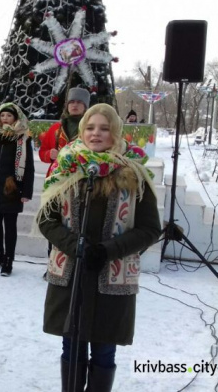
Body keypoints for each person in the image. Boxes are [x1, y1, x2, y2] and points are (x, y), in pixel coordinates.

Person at [37, 104, 161, 391]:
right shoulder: (66, 167)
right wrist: (74, 246)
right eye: (91, 127)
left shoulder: (134, 174)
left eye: (104, 128)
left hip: (111, 278)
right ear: (82, 131)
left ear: (115, 132)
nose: (96, 134)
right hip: (73, 275)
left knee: (104, 351)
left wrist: (108, 250)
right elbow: (47, 219)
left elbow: (150, 228)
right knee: (73, 348)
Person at [0, 103, 35, 276]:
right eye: (2, 116)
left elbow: (29, 166)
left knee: (10, 226)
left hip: (11, 188)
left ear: (16, 118)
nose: (5, 119)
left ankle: (9, 259)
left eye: (9, 116)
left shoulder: (22, 139)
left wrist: (26, 192)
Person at [38, 86, 90, 259]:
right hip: (55, 183)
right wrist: (48, 154)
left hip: (80, 184)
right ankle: (52, 261)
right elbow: (42, 153)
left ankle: (74, 261)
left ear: (86, 106)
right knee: (53, 222)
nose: (74, 105)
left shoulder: (89, 129)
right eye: (71, 102)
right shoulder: (56, 129)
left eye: (79, 102)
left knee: (75, 223)